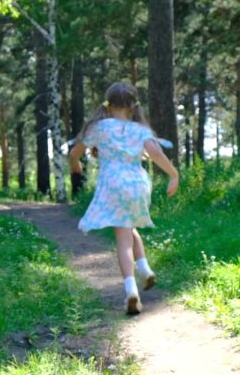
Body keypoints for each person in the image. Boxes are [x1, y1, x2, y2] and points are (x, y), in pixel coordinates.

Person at [69, 82, 179, 315]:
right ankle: (145, 269)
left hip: (113, 184)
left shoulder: (99, 127)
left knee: (122, 237)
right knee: (128, 227)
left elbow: (74, 153)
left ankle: (131, 290)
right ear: (133, 105)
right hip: (138, 185)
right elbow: (157, 153)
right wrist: (173, 175)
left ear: (107, 105)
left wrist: (75, 165)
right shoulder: (140, 130)